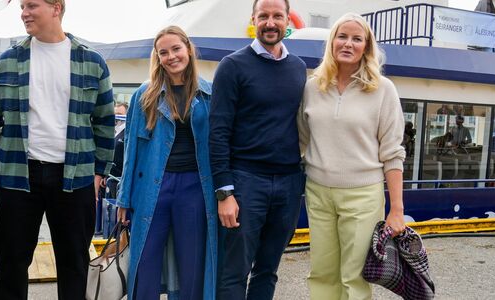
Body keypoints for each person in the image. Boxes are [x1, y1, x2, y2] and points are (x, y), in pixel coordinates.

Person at [0, 0, 115, 298]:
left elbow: (104, 123)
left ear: (56, 7)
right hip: (17, 176)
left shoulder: (92, 62)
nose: (24, 12)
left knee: (74, 264)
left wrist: (99, 173)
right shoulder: (6, 62)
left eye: (31, 5)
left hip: (75, 178)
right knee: (10, 265)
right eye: (22, 6)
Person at [297, 13, 407, 299]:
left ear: (366, 47)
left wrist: (397, 210)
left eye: (357, 39)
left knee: (354, 278)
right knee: (321, 273)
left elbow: (393, 153)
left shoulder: (383, 90)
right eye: (342, 37)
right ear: (332, 42)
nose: (348, 43)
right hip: (318, 193)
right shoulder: (312, 86)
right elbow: (301, 139)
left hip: (363, 196)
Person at [209, 0, 306, 298]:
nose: (270, 22)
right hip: (246, 182)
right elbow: (218, 132)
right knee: (234, 272)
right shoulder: (232, 66)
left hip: (289, 184)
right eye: (263, 16)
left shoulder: (299, 69)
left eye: (277, 16)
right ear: (253, 19)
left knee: (268, 270)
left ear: (287, 20)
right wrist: (225, 192)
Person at [115, 25, 217, 300]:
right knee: (144, 260)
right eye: (164, 52)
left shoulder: (209, 94)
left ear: (188, 49)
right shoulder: (144, 95)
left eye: (176, 49)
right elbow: (131, 150)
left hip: (195, 187)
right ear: (157, 57)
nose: (171, 56)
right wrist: (124, 198)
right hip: (151, 186)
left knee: (192, 263)